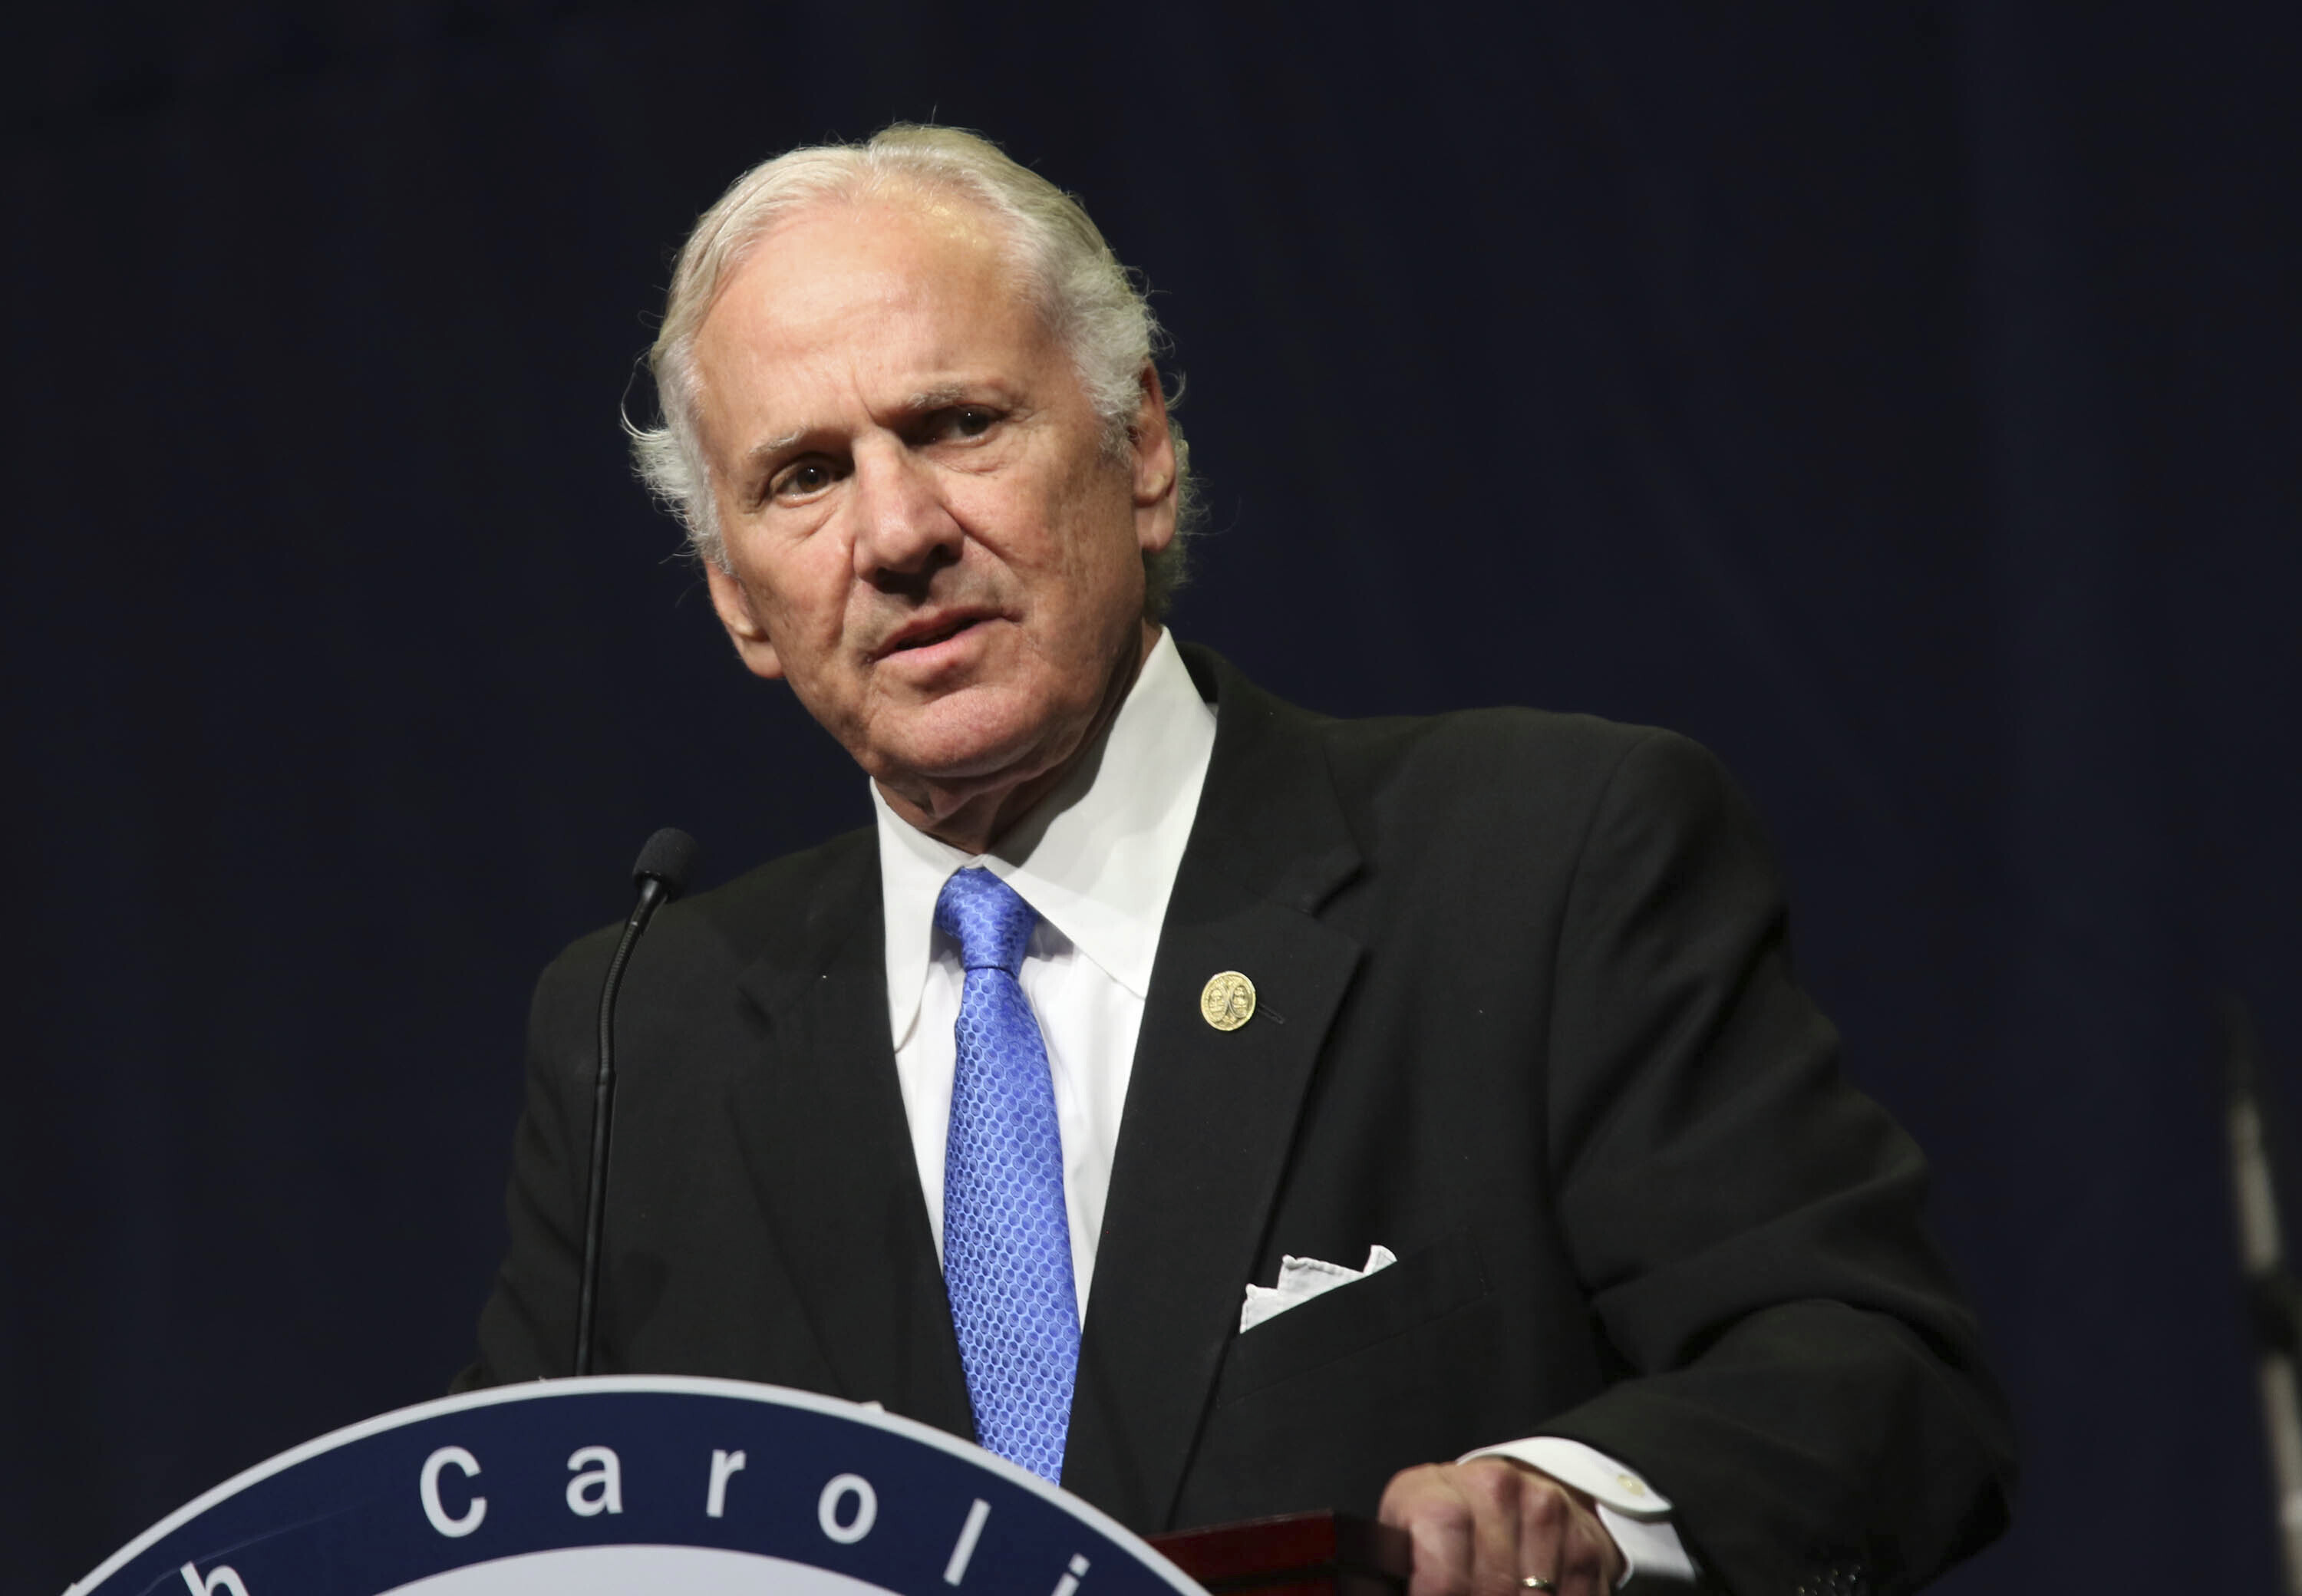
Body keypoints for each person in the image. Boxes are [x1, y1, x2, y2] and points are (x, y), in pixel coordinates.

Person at [459, 125, 2014, 1595]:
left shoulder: (1538, 860)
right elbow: (511, 1536)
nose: (898, 530)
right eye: (805, 475)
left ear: (1141, 451)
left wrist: (1582, 1505)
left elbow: (1880, 1380)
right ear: (738, 597)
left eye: (959, 423)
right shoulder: (640, 1033)